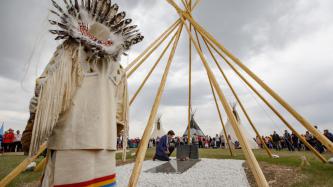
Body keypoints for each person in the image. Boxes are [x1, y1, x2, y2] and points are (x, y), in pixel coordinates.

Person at [20, 1, 143, 186]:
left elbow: (47, 89)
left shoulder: (70, 51)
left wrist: (33, 124)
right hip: (104, 146)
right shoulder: (117, 68)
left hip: (71, 142)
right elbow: (119, 113)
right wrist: (109, 133)